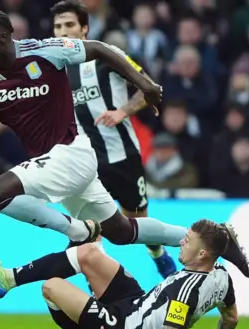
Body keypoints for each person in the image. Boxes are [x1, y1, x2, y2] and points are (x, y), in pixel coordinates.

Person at [0, 9, 249, 278]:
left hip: (72, 152)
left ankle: (76, 231)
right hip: (61, 165)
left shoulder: (43, 51)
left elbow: (100, 48)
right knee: (120, 231)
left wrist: (144, 83)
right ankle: (213, 238)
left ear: (4, 36)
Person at [0, 220, 248, 329]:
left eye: (187, 241)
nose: (181, 241)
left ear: (202, 254)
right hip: (135, 300)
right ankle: (7, 279)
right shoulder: (221, 275)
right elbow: (231, 318)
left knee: (51, 288)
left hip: (123, 327)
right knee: (90, 251)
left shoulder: (186, 293)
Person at [51, 0, 175, 278]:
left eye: (69, 25)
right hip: (83, 161)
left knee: (136, 220)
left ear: (84, 28)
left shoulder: (108, 55)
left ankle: (157, 252)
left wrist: (123, 111)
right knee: (88, 229)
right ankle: (103, 288)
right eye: (58, 26)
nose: (63, 31)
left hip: (122, 156)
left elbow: (149, 88)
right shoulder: (52, 69)